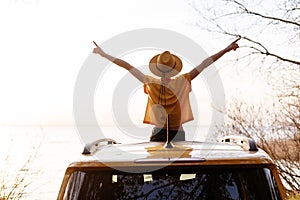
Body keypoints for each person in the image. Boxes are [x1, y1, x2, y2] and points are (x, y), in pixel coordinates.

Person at [93, 37, 240, 142]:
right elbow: (204, 64)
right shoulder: (181, 81)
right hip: (178, 132)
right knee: (180, 169)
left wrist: (104, 54)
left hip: (158, 132)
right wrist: (226, 50)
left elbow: (127, 66)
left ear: (157, 68)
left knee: (155, 169)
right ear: (173, 68)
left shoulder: (150, 82)